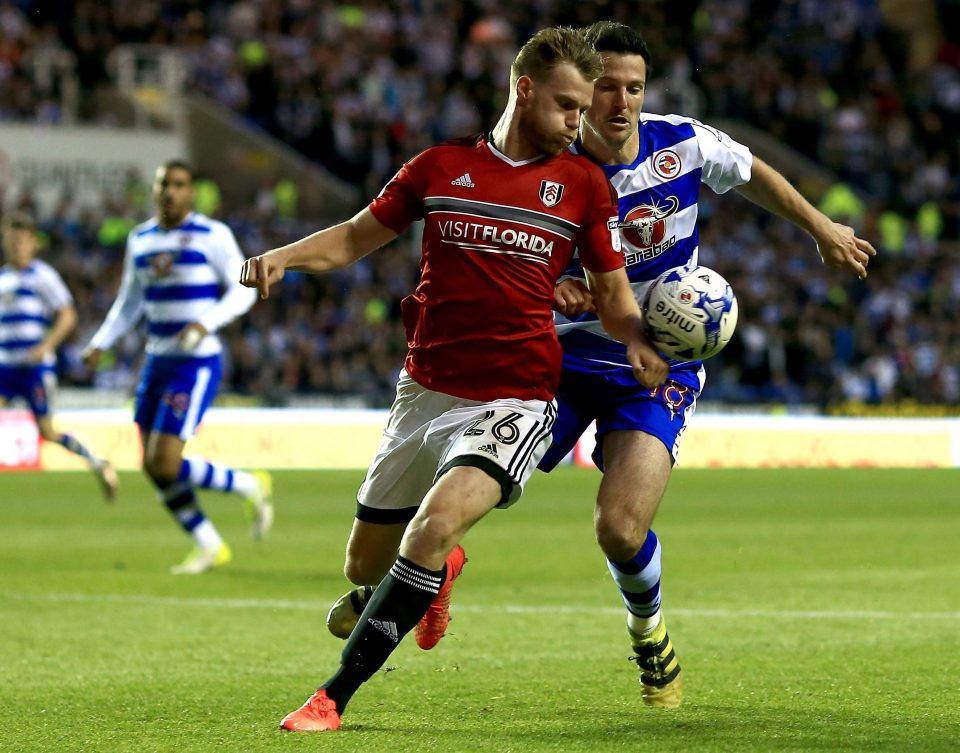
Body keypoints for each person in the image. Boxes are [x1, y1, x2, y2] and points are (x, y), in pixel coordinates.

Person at [240, 27, 669, 732]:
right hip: (425, 388)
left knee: (431, 526)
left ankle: (332, 697)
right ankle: (435, 575)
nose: (579, 121)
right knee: (361, 566)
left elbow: (614, 296)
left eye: (584, 108)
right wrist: (283, 256)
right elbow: (353, 236)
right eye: (567, 105)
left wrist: (638, 341)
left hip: (518, 393)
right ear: (523, 89)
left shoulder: (586, 186)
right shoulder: (438, 168)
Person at [539, 21, 878, 708]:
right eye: (606, 86)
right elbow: (505, 249)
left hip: (656, 363)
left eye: (633, 87)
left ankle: (650, 632)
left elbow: (752, 173)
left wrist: (823, 228)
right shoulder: (546, 162)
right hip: (563, 354)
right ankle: (422, 574)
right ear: (580, 89)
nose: (621, 101)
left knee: (619, 526)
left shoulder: (684, 143)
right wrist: (548, 284)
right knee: (480, 479)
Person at [83, 160, 274, 575]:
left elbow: (243, 291)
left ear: (191, 193)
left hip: (197, 361)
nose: (170, 192)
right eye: (163, 184)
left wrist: (206, 322)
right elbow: (130, 302)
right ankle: (209, 543)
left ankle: (248, 485)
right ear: (154, 191)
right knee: (151, 466)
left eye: (179, 185)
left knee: (165, 461)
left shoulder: (213, 234)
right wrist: (100, 342)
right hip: (157, 359)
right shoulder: (141, 239)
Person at [0, 211, 118, 500]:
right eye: (12, 240)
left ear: (32, 243)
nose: (17, 245)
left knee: (48, 433)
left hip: (34, 368)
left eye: (22, 240)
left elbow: (67, 314)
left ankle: (99, 463)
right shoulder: (2, 278)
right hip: (5, 365)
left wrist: (47, 345)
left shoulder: (43, 276)